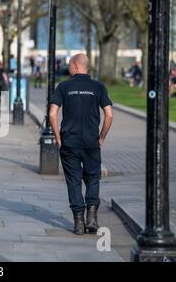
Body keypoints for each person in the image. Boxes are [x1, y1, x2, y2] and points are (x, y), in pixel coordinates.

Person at [49, 53, 113, 235]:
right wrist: (101, 137)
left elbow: (53, 114)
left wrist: (58, 137)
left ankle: (79, 223)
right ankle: (92, 218)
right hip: (91, 143)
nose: (68, 68)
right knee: (93, 178)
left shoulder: (64, 86)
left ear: (76, 65)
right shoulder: (98, 87)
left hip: (70, 142)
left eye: (70, 64)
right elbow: (109, 114)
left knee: (73, 181)